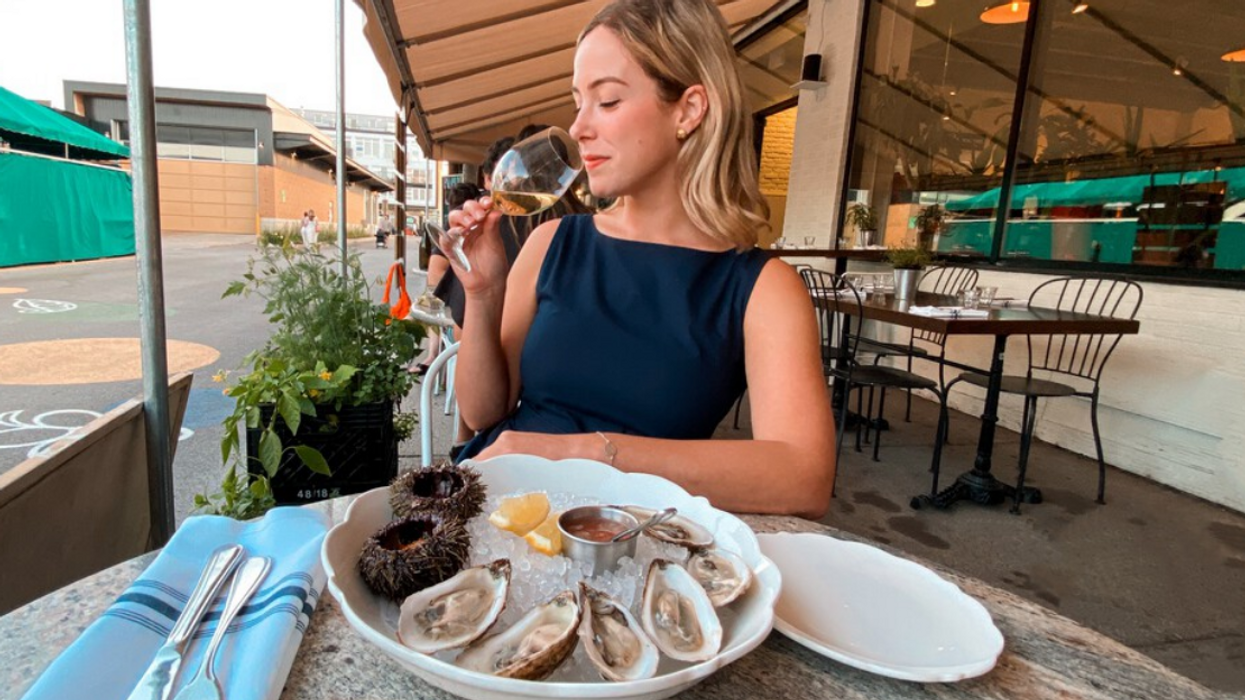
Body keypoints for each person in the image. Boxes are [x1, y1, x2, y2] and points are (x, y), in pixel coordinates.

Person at [440, 0, 834, 517]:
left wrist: (582, 455)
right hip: (499, 504)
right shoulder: (552, 241)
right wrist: (483, 294)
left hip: (625, 536)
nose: (578, 128)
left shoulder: (759, 287)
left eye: (606, 101)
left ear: (689, 110)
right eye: (578, 102)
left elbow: (804, 479)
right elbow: (483, 411)